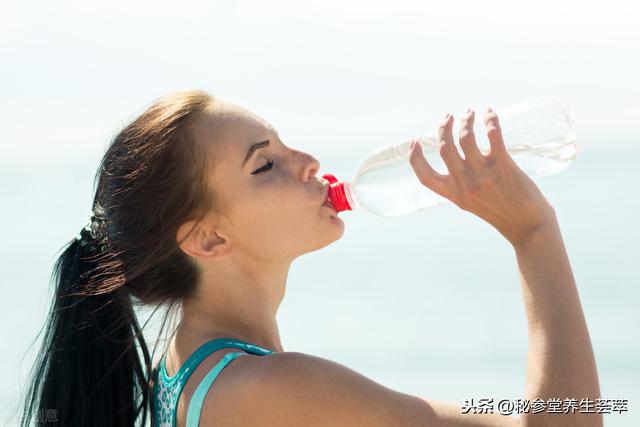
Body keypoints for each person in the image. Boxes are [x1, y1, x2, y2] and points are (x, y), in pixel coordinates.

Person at [21, 90, 601, 427]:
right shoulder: (271, 387)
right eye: (264, 164)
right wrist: (533, 233)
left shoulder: (182, 369)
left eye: (282, 143)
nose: (307, 161)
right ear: (207, 240)